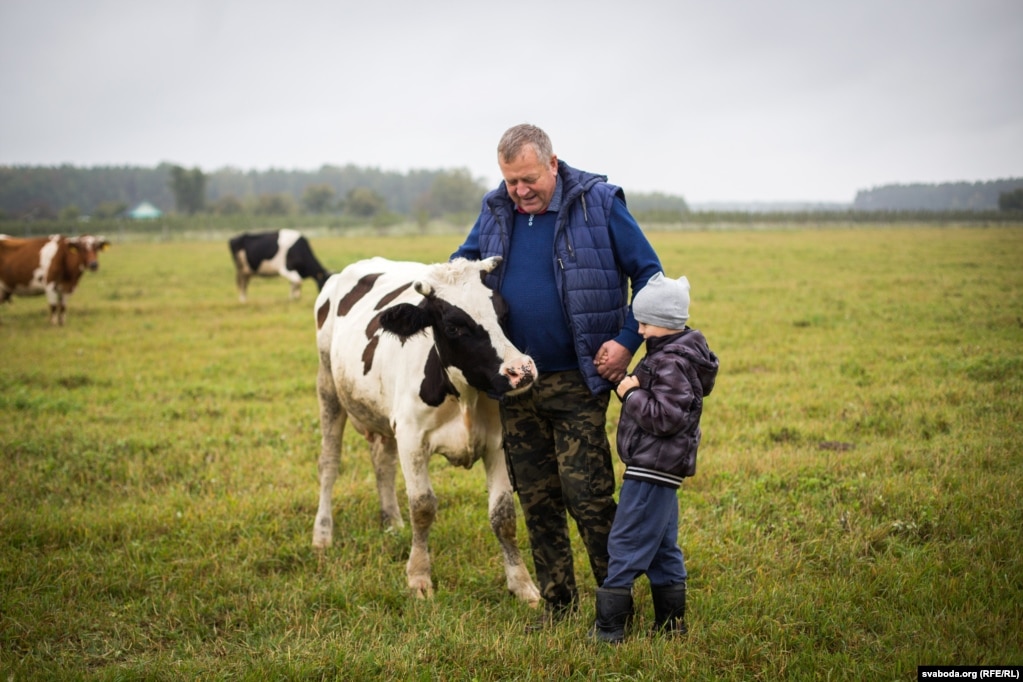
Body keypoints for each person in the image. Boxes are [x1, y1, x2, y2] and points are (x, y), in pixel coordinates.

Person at [451, 123, 663, 631]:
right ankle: (558, 604)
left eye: (528, 179)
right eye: (510, 181)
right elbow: (463, 264)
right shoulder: (495, 208)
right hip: (515, 382)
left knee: (586, 496)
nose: (519, 191)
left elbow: (650, 274)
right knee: (538, 498)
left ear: (552, 164)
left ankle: (617, 608)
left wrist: (626, 339)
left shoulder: (599, 203)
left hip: (578, 378)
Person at [590, 272, 719, 644]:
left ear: (663, 323)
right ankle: (671, 626)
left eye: (644, 323)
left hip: (653, 468)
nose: (640, 331)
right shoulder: (670, 355)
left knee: (625, 543)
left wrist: (631, 394)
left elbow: (667, 417)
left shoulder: (671, 363)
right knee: (663, 549)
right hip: (660, 467)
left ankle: (609, 631)